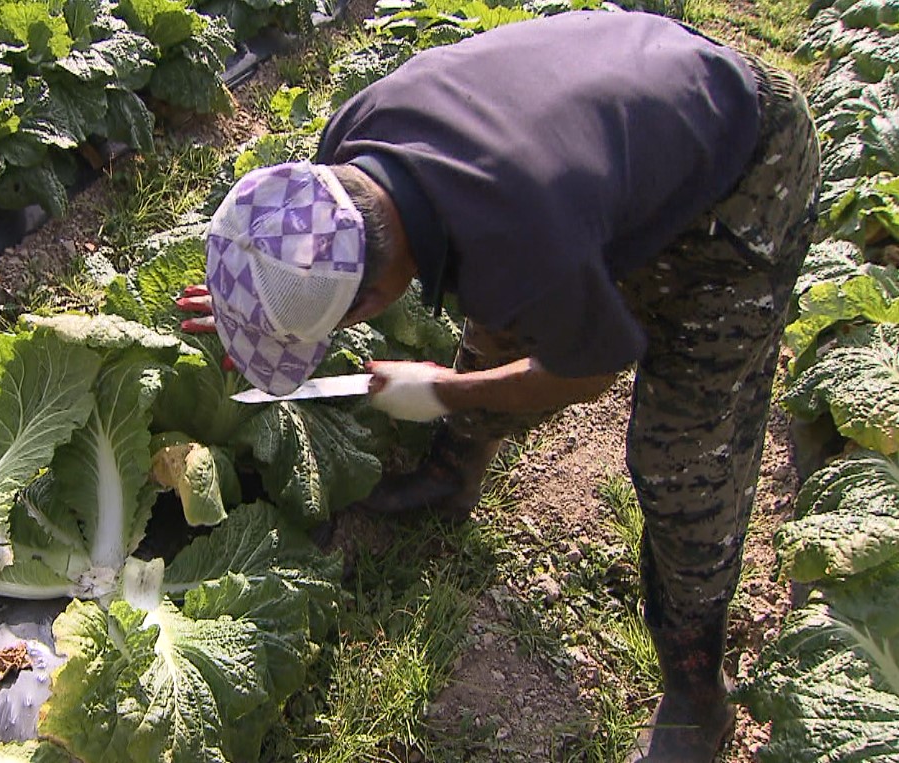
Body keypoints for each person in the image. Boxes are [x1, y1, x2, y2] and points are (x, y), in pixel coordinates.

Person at [177, 9, 820, 763]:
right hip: (611, 121)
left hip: (745, 165)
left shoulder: (522, 240)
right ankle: (453, 477)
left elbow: (584, 377)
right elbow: (463, 255)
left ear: (379, 295)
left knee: (684, 453)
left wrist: (446, 389)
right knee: (497, 316)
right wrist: (248, 288)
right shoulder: (351, 146)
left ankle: (695, 690)